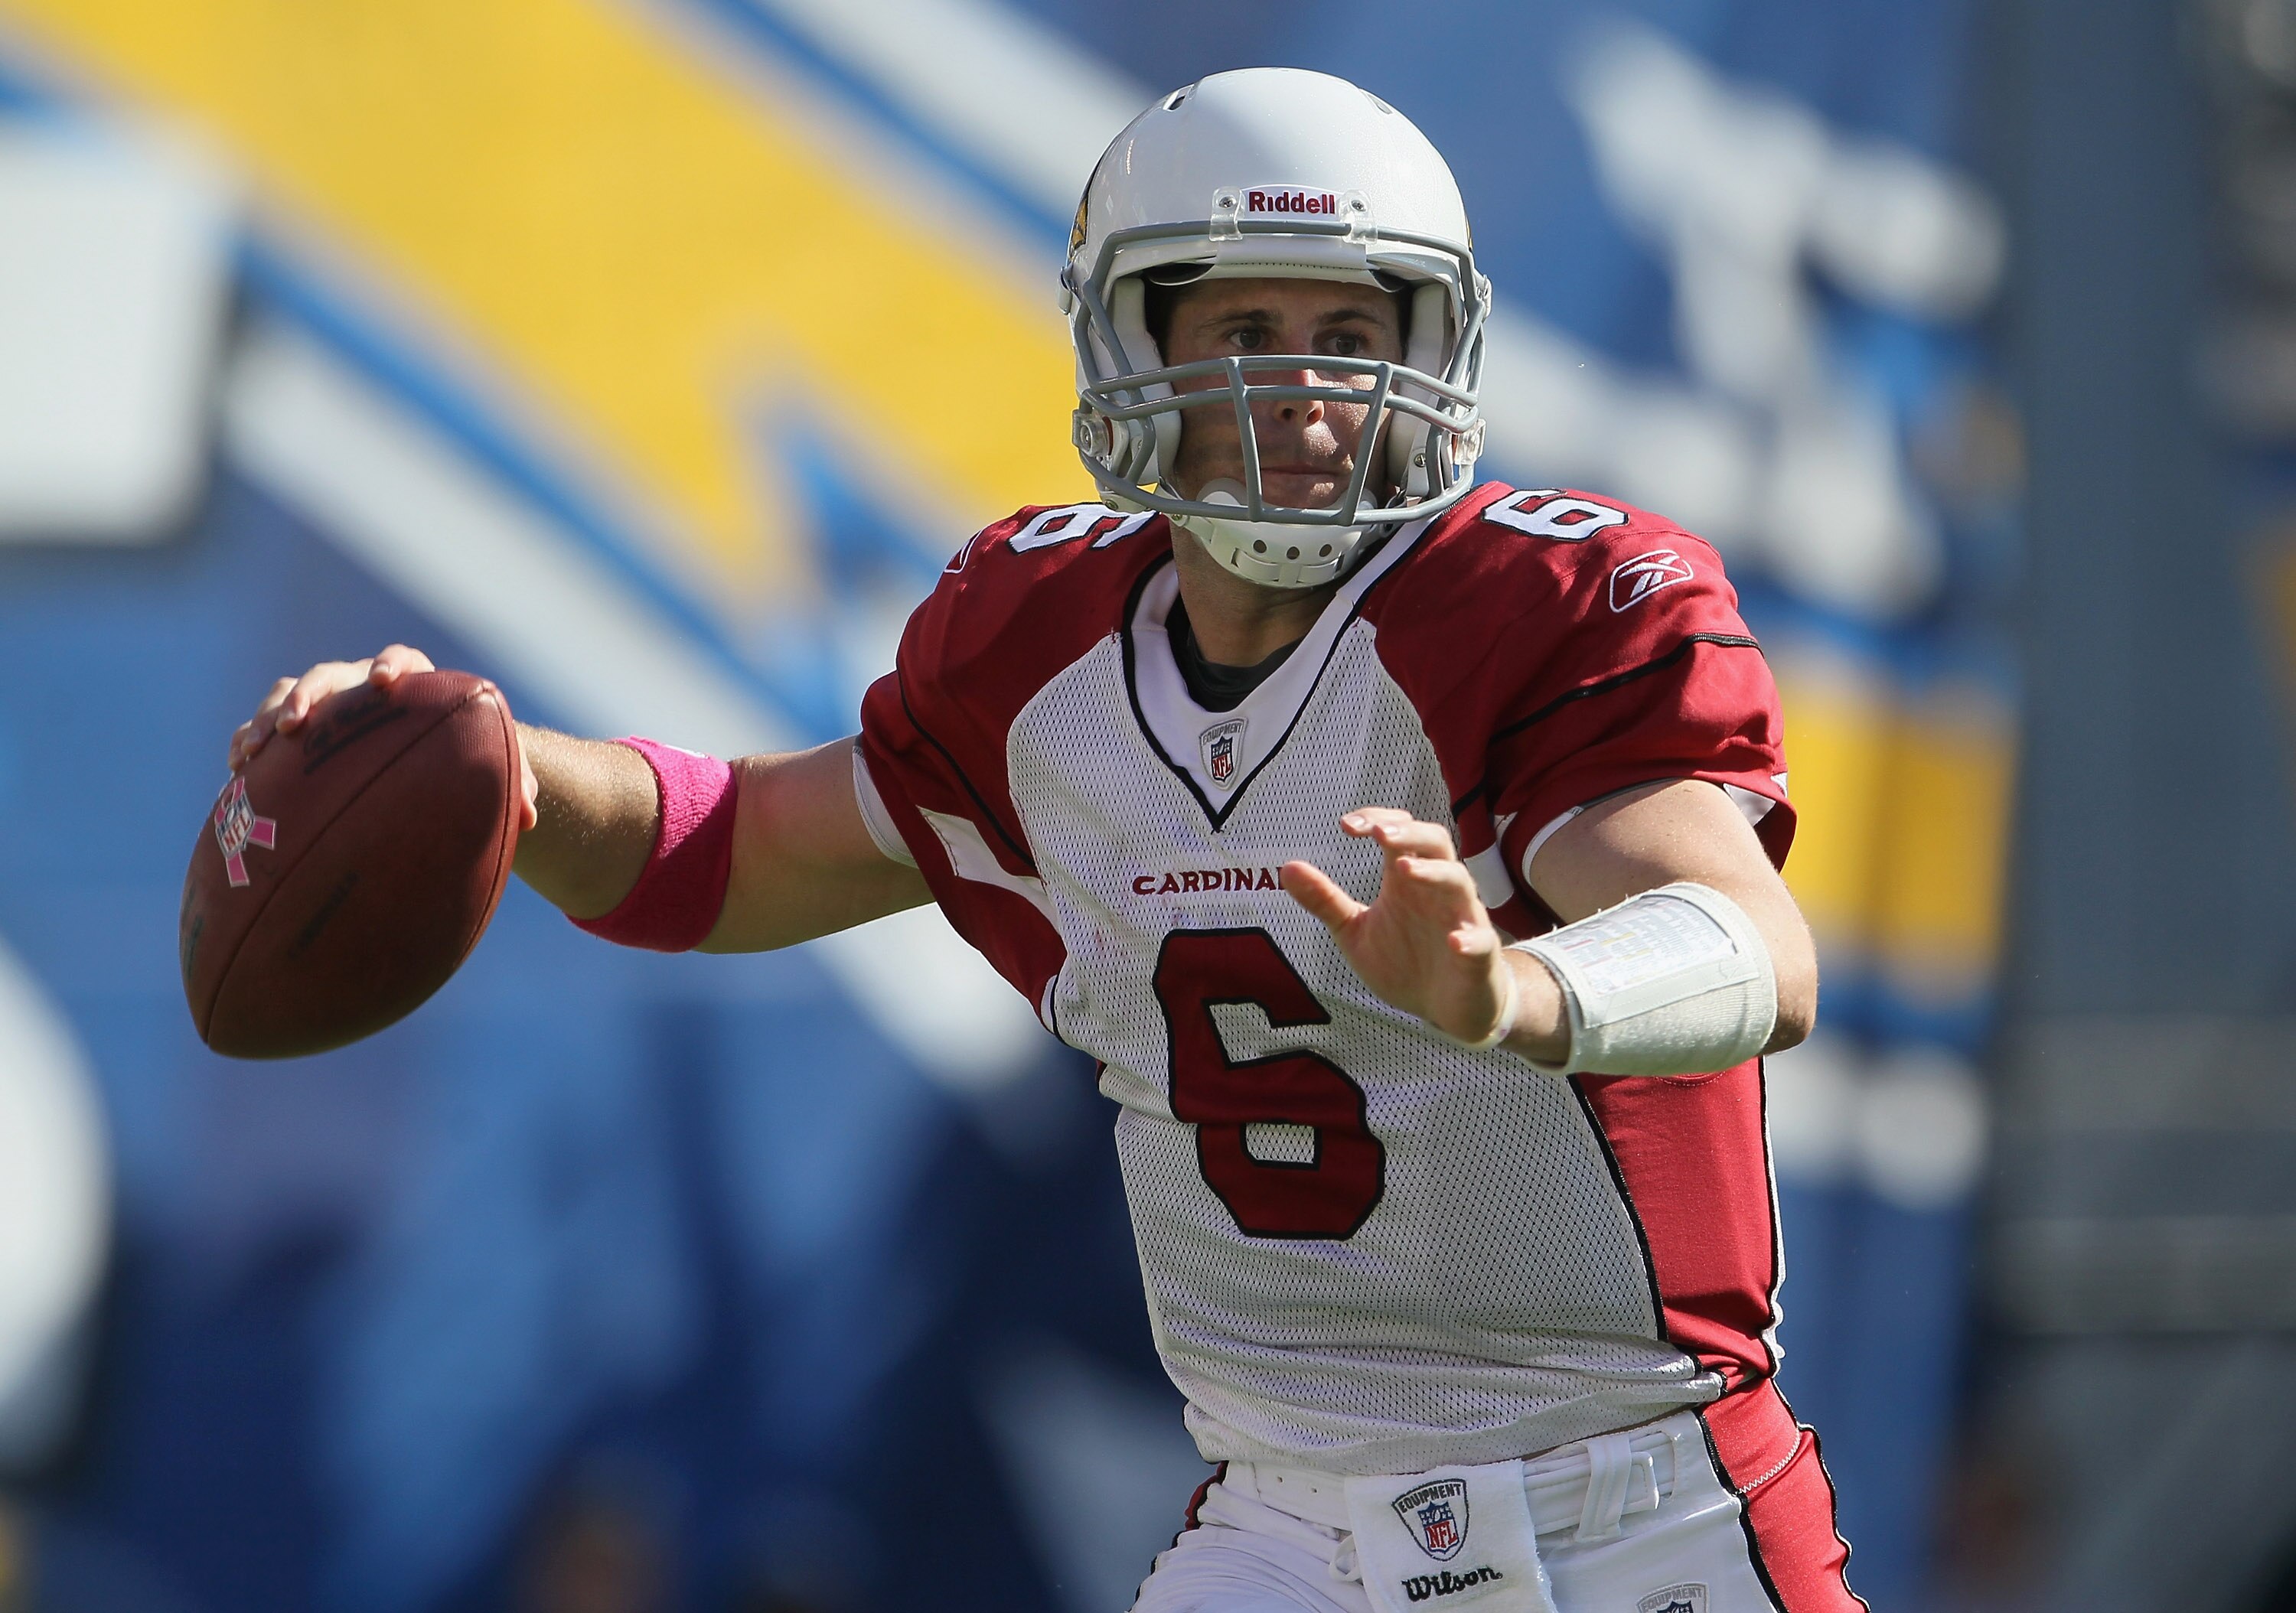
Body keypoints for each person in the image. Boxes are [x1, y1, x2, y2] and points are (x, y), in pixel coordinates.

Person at [231, 67, 1856, 1613]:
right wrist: (494, 768)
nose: (1306, 386)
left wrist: (1519, 995)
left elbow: (1752, 948)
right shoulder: (1039, 652)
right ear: (1130, 342)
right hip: (1291, 1520)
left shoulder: (1542, 603)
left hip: (1635, 1506)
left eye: (1353, 333)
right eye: (1247, 330)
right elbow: (733, 852)